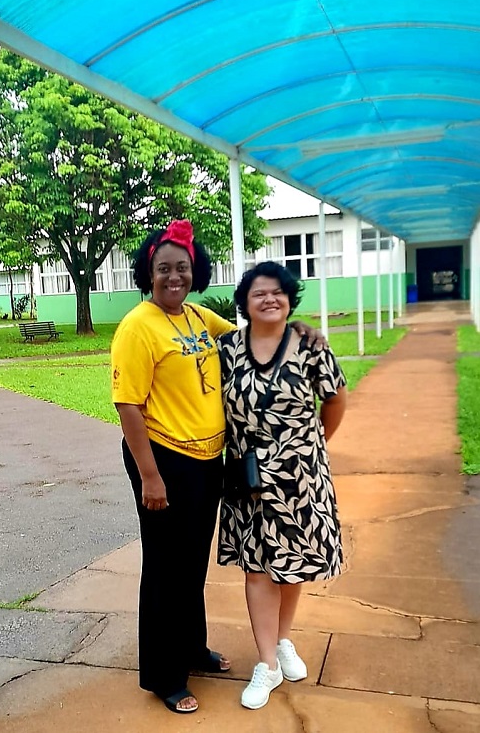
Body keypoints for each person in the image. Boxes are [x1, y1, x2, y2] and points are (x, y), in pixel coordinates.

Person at [111, 221, 325, 715]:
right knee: (166, 568)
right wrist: (150, 476)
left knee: (191, 564)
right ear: (148, 272)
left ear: (196, 272)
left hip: (207, 462)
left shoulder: (195, 317)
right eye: (163, 268)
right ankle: (164, 676)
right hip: (164, 460)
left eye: (182, 268)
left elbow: (250, 336)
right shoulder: (138, 326)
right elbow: (127, 406)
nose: (174, 277)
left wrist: (296, 330)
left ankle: (191, 648)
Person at [217, 261, 347, 710]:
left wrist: (312, 443)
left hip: (300, 476)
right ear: (245, 302)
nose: (269, 299)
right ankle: (267, 662)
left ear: (290, 298)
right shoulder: (226, 348)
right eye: (259, 293)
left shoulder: (311, 346)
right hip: (249, 477)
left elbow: (335, 399)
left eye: (278, 292)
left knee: (293, 564)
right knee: (258, 568)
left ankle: (282, 638)